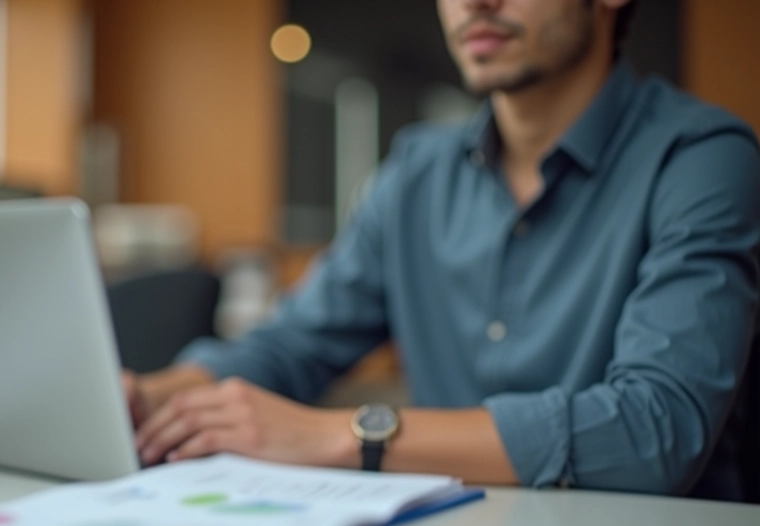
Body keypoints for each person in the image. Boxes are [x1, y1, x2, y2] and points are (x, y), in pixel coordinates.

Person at [127, 0, 760, 500]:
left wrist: (342, 436)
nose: (473, 3)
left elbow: (655, 431)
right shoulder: (415, 171)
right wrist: (156, 397)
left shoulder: (702, 158)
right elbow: (292, 342)